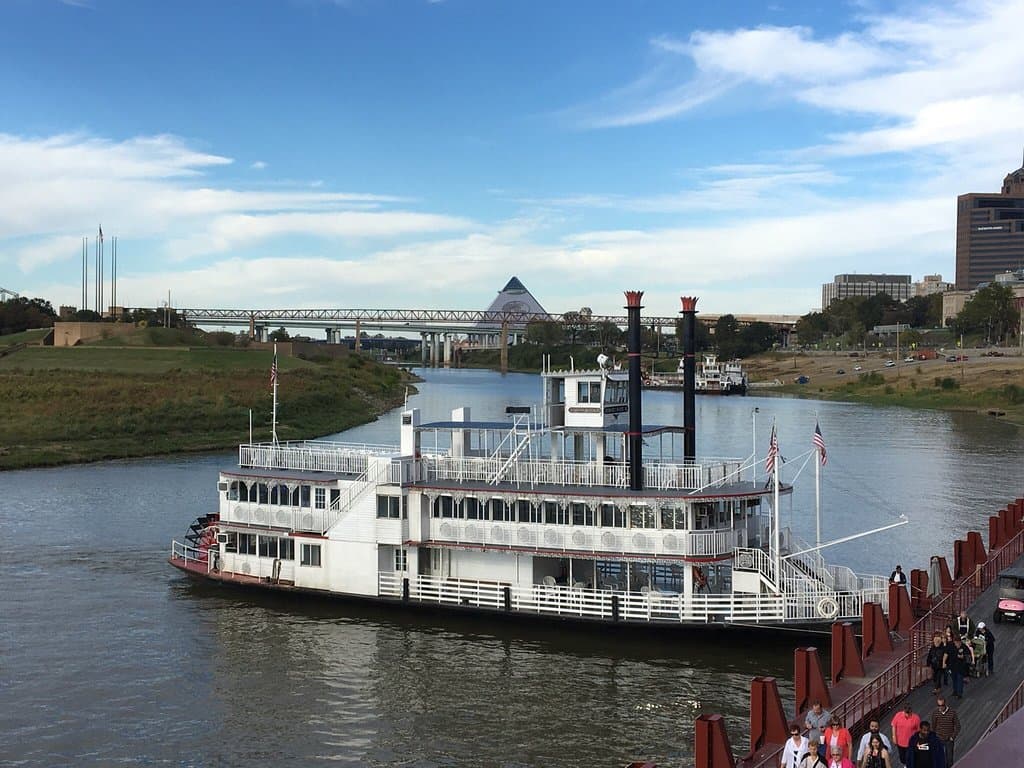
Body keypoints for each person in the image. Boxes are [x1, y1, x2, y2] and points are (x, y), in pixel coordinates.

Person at [930, 696, 961, 766]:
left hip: (949, 739)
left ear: (945, 704)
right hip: (938, 738)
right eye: (938, 705)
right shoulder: (935, 713)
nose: (940, 707)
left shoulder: (952, 713)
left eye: (942, 705)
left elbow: (958, 726)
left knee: (949, 759)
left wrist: (952, 737)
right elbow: (933, 726)